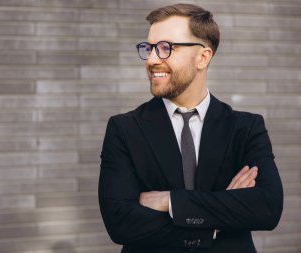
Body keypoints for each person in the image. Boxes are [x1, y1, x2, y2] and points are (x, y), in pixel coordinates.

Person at [98, 3, 283, 253]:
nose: (152, 59)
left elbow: (267, 208)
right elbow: (121, 222)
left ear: (203, 57)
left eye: (166, 48)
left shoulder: (246, 127)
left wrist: (169, 200)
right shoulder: (124, 128)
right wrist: (219, 218)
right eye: (149, 48)